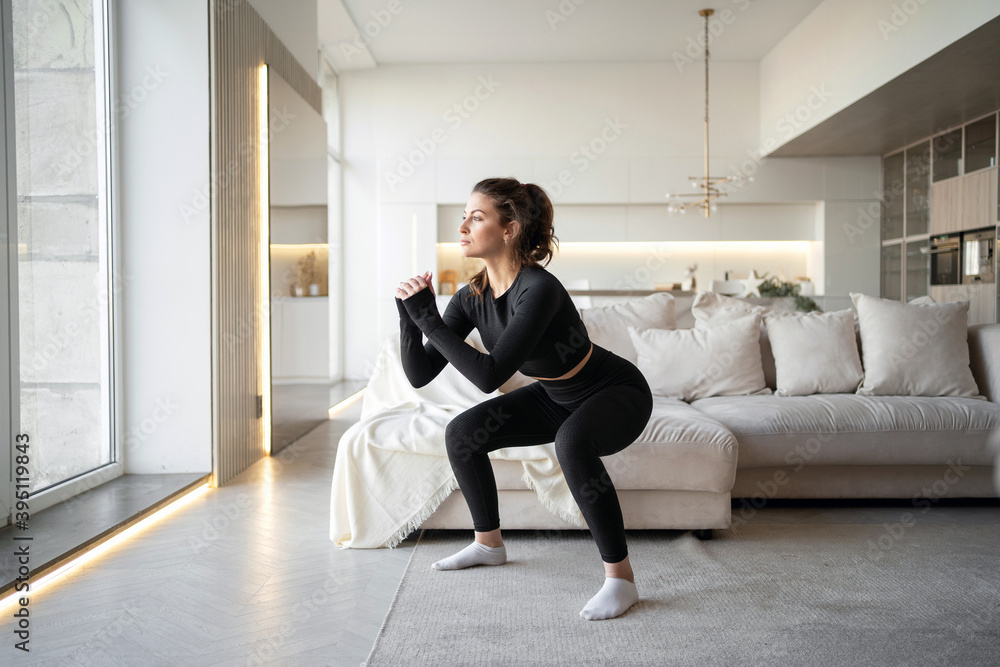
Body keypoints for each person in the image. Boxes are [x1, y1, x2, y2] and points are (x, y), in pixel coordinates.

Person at [394, 177, 654, 621]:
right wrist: (409, 317)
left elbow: (489, 374)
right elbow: (420, 374)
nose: (463, 226)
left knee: (572, 442)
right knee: (462, 433)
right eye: (464, 216)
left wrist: (428, 319)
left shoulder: (539, 289)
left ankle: (621, 581)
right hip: (557, 394)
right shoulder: (471, 298)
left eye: (477, 217)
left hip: (615, 391)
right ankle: (488, 544)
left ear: (510, 227)